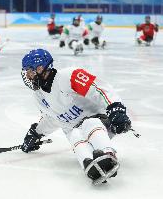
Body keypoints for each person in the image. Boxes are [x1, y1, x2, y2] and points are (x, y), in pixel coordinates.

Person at [20, 49, 132, 185]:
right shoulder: (39, 95)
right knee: (74, 135)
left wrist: (115, 108)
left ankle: (109, 155)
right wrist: (36, 133)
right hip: (80, 131)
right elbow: (52, 118)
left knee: (89, 123)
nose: (28, 75)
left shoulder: (68, 76)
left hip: (101, 122)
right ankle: (91, 166)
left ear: (41, 68)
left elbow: (99, 89)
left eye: (30, 71)